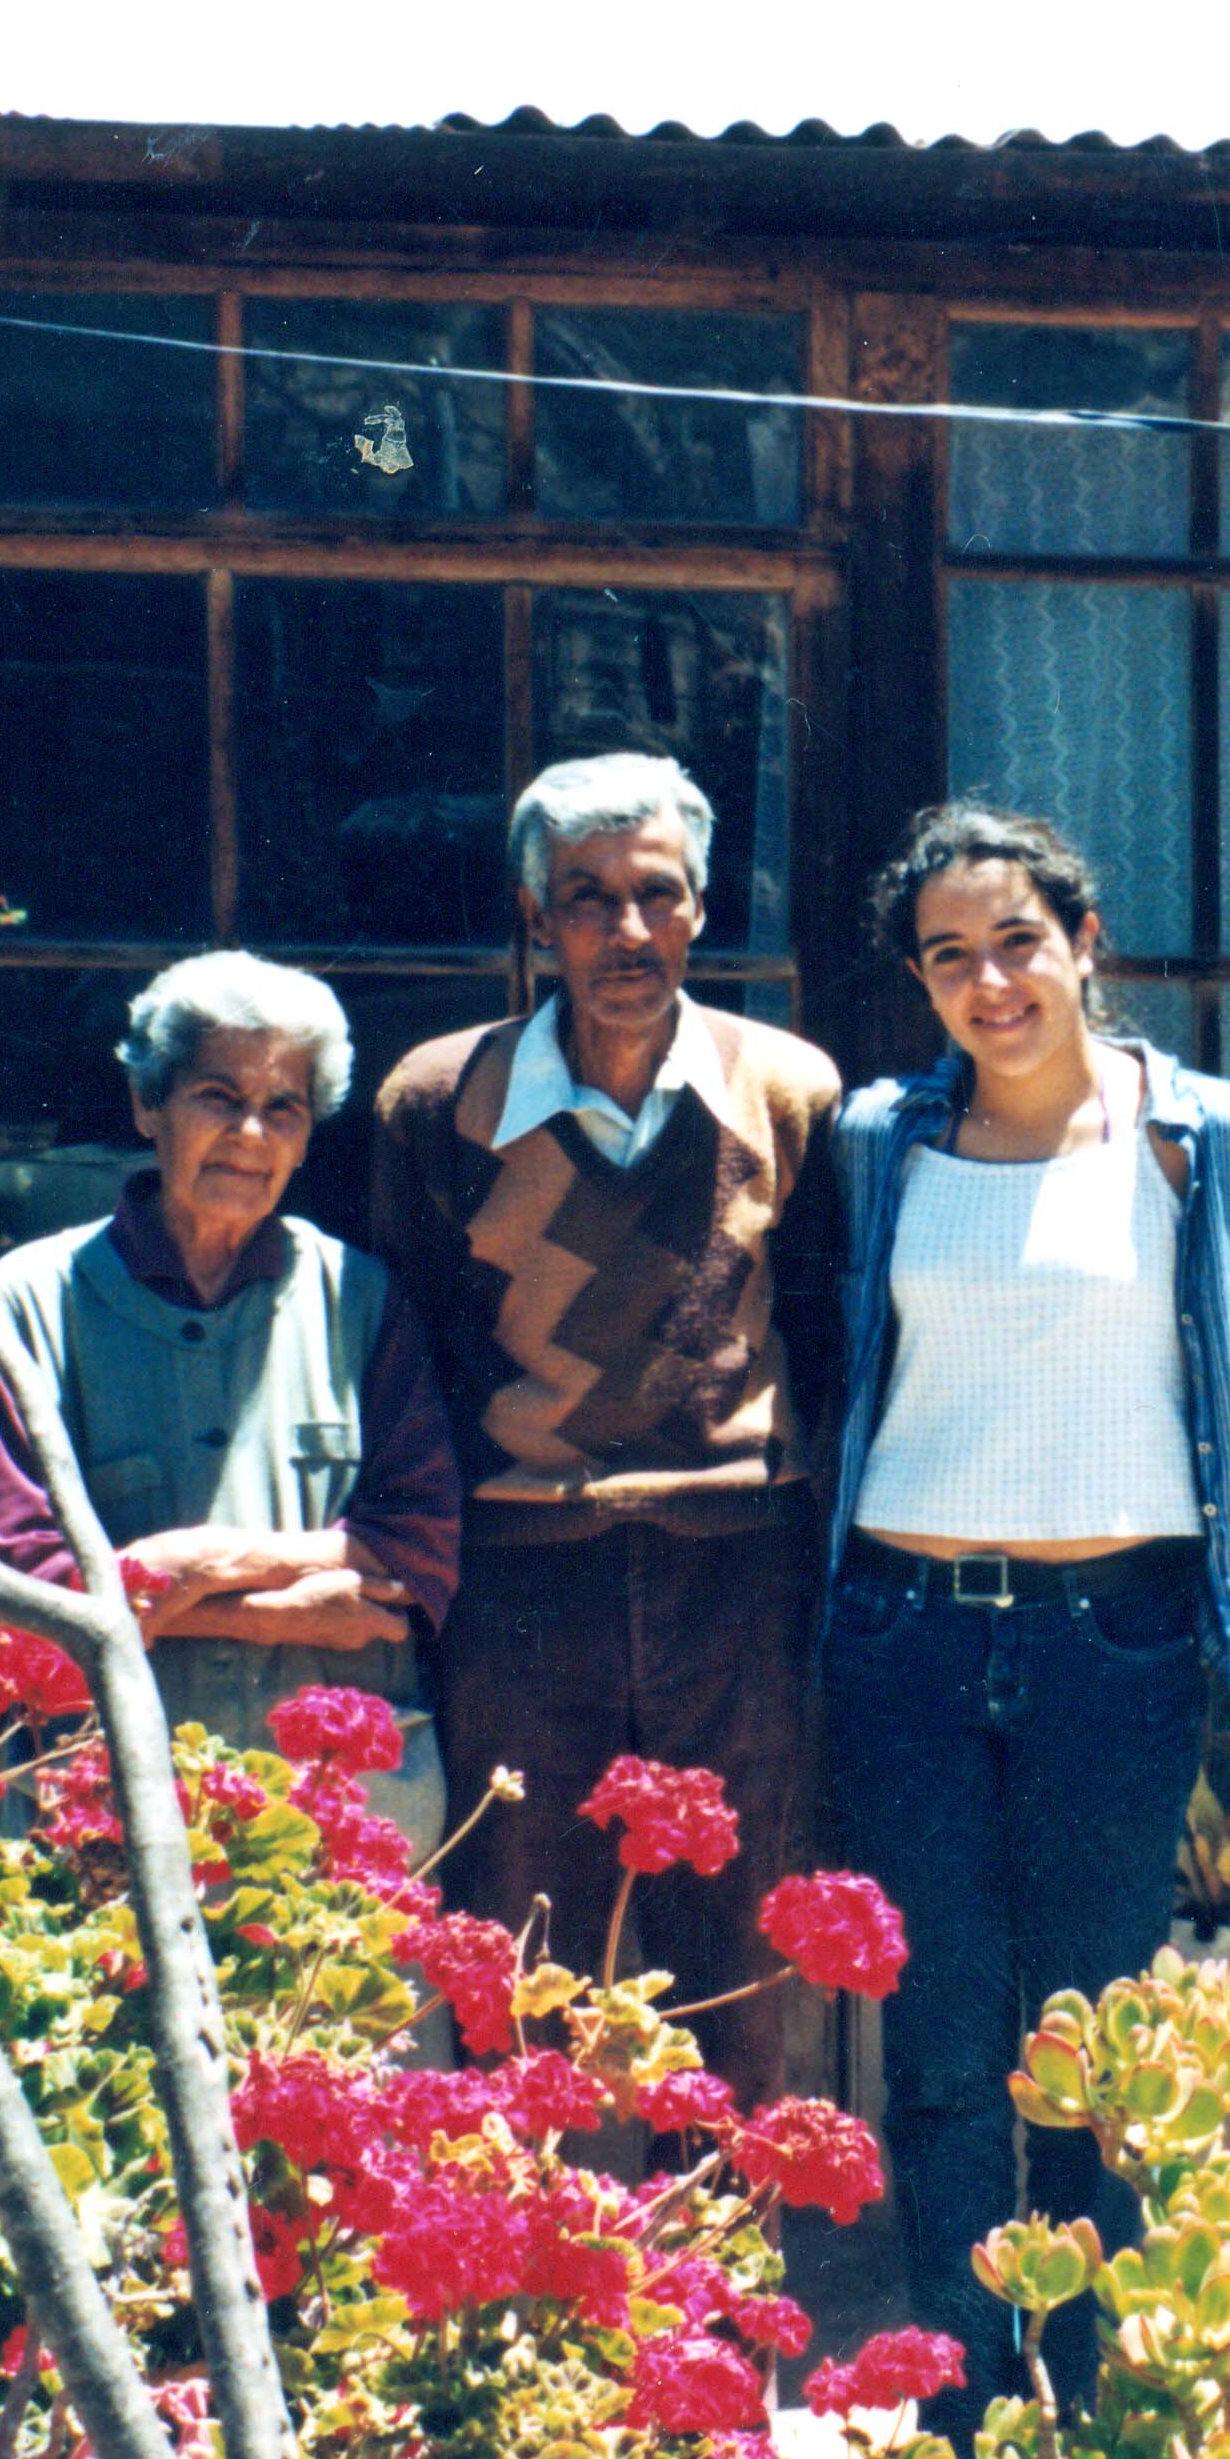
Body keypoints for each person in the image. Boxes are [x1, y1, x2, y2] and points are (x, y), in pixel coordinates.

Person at [822, 801, 1230, 2443]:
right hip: (902, 1635)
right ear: (919, 981)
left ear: (1082, 943)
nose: (989, 982)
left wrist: (1222, 1516)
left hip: (1110, 1644)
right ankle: (966, 2405)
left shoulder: (1210, 1142)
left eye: (1016, 942)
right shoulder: (872, 1146)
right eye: (948, 956)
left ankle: (1092, 2393)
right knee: (937, 2034)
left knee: (1085, 2036)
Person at [370, 753, 844, 2109]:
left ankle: (723, 2287)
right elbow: (408, 1343)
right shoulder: (436, 1101)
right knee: (517, 1938)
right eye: (586, 898)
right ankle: (515, 2270)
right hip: (521, 1572)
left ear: (700, 910)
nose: (624, 932)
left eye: (656, 894)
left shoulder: (789, 1091)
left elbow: (825, 1318)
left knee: (738, 1942)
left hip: (735, 1563)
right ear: (536, 918)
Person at [0, 952, 458, 1851]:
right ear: (146, 1107)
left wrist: (188, 1564)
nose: (250, 1134)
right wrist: (282, 1609)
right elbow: (26, 1586)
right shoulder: (31, 1302)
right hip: (114, 1794)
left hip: (338, 1812)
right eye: (216, 1096)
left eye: (284, 1108)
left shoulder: (363, 1297)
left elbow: (417, 1550)